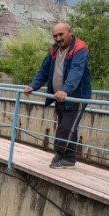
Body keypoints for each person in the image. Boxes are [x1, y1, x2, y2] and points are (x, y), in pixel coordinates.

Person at [23, 22, 92, 169]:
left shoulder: (79, 48)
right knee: (66, 127)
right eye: (55, 36)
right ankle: (69, 159)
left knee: (66, 127)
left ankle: (60, 154)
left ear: (70, 32)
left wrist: (65, 90)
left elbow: (76, 71)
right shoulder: (55, 50)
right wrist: (33, 85)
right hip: (60, 96)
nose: (58, 38)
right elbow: (44, 70)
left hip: (75, 96)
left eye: (61, 34)